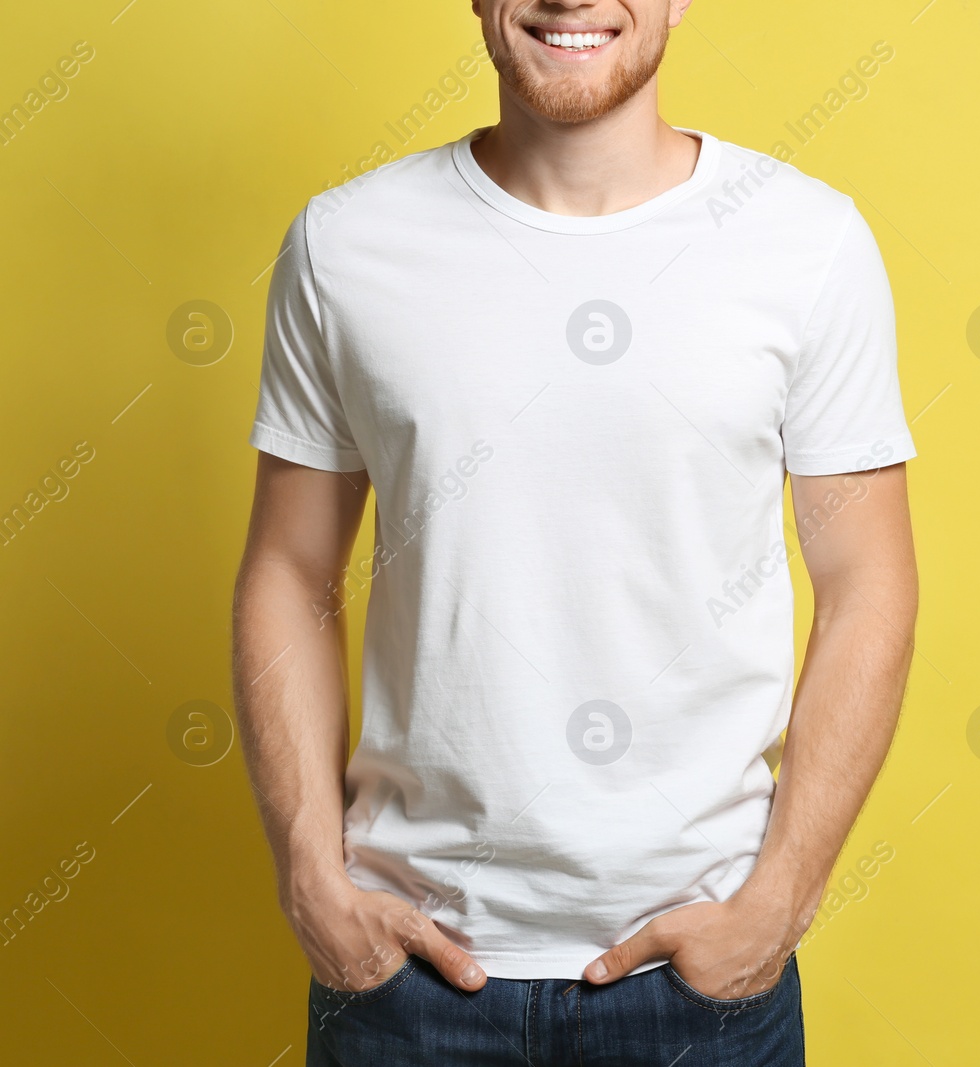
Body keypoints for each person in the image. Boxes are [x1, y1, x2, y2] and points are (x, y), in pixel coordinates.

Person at [231, 1, 918, 1063]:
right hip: (404, 983)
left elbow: (868, 581)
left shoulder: (806, 243)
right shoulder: (346, 244)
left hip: (700, 988)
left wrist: (780, 896)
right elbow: (288, 565)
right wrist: (310, 870)